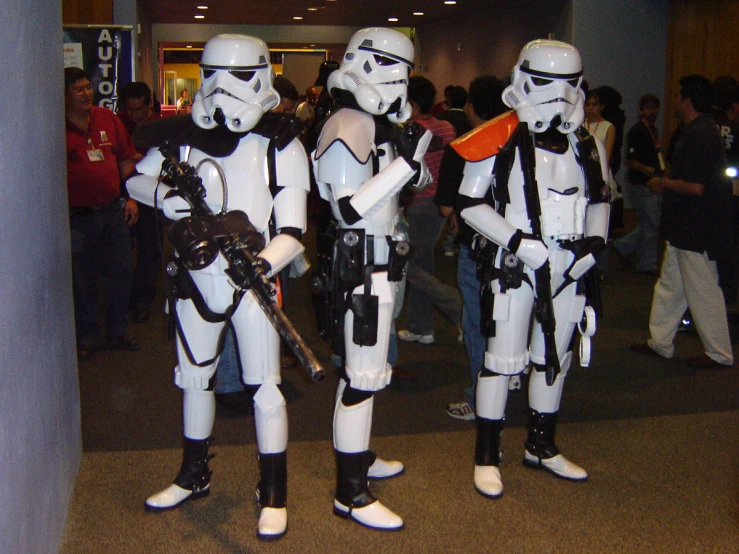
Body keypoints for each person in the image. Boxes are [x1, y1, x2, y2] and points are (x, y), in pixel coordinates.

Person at [127, 34, 311, 540]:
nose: (224, 91)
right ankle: (194, 473)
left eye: (239, 77)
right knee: (193, 378)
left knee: (265, 388)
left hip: (252, 280)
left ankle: (273, 490)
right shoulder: (184, 137)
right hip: (196, 274)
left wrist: (260, 266)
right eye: (213, 75)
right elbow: (138, 181)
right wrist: (173, 200)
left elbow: (293, 232)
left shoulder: (280, 142)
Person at [455, 40, 610, 498]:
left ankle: (541, 444)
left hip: (570, 263)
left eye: (568, 86)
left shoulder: (587, 143)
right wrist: (518, 242)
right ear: (521, 79)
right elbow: (469, 203)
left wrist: (594, 243)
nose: (557, 97)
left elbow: (600, 199)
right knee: (501, 360)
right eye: (544, 83)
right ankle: (487, 455)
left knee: (554, 359)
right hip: (515, 265)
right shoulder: (498, 136)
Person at [312, 27, 432, 530]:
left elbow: (412, 185)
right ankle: (350, 492)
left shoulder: (372, 124)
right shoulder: (345, 123)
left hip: (382, 259)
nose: (397, 83)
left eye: (404, 72)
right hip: (358, 260)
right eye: (389, 69)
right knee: (360, 377)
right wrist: (406, 165)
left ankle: (358, 458)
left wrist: (412, 163)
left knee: (367, 371)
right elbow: (348, 210)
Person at [631, 75, 734, 369]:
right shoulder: (700, 130)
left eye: (678, 97)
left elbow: (695, 186)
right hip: (686, 226)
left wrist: (661, 183)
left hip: (696, 227)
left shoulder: (700, 134)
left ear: (687, 101)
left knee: (702, 290)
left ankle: (719, 353)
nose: (675, 102)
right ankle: (660, 341)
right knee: (671, 285)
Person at [437, 75, 510, 421]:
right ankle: (507, 380)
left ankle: (480, 397)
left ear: (471, 107)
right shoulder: (523, 142)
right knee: (510, 318)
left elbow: (448, 208)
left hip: (478, 246)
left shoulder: (467, 146)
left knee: (478, 321)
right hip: (518, 246)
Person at [65, 67, 140, 362]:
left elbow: (126, 160)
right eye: (78, 90)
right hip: (76, 217)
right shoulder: (56, 126)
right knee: (82, 279)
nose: (86, 94)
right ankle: (86, 336)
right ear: (64, 97)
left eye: (87, 87)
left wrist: (130, 197)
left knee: (120, 271)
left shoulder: (106, 118)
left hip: (112, 211)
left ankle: (117, 329)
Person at [397, 75, 461, 345]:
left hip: (420, 204)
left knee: (408, 267)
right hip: (440, 205)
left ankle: (459, 308)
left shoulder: (409, 131)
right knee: (422, 265)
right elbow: (454, 171)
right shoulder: (446, 128)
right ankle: (422, 328)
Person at [117, 81, 162, 323]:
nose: (134, 115)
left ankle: (143, 301)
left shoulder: (159, 126)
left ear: (148, 104)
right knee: (122, 252)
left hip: (149, 197)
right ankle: (125, 298)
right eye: (130, 109)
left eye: (139, 110)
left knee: (149, 251)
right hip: (121, 194)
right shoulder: (119, 121)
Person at [612, 94, 665, 276]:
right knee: (651, 226)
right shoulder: (637, 131)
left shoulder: (653, 130)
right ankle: (646, 264)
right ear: (641, 110)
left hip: (653, 183)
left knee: (648, 224)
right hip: (641, 184)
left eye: (655, 108)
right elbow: (631, 160)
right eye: (649, 108)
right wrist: (646, 169)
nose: (653, 112)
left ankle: (622, 246)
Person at [584, 88, 617, 277]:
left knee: (600, 223)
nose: (590, 108)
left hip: (601, 177)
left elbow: (607, 154)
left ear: (601, 106)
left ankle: (601, 268)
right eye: (587, 104)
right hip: (583, 179)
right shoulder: (579, 124)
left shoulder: (608, 127)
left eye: (594, 104)